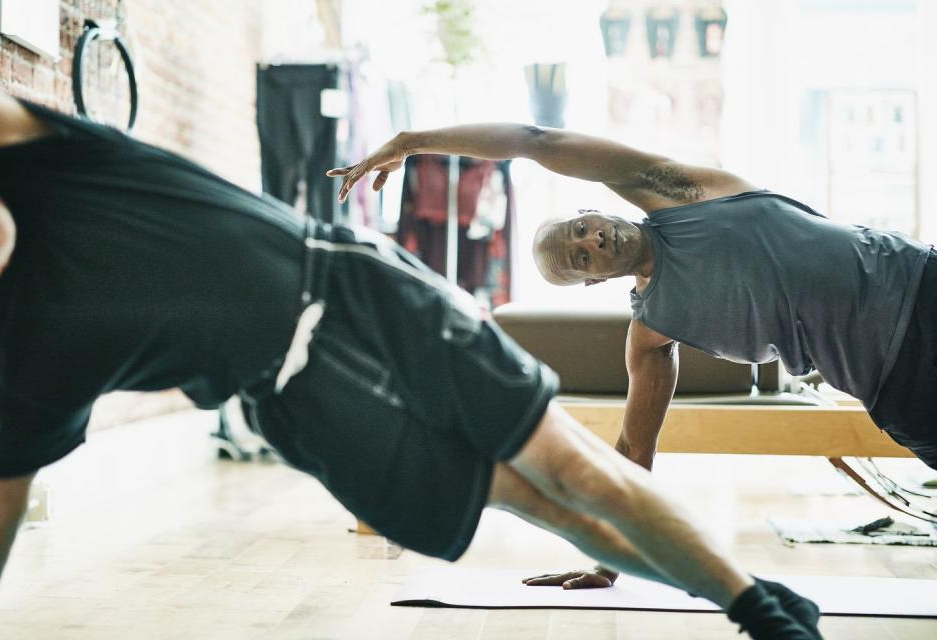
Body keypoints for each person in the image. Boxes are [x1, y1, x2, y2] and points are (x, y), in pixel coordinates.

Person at [0, 89, 820, 639]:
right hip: (297, 400)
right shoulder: (26, 349)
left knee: (577, 473)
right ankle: (741, 591)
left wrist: (414, 137)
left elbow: (535, 138)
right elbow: (0, 503)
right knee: (540, 506)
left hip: (351, 285)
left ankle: (762, 611)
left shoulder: (55, 163)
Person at [330, 120, 933, 591]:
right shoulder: (652, 332)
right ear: (592, 282)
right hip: (895, 389)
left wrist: (414, 142)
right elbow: (635, 451)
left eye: (585, 229)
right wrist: (609, 559)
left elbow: (536, 142)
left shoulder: (681, 192)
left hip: (917, 285)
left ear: (601, 210)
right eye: (583, 257)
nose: (595, 241)